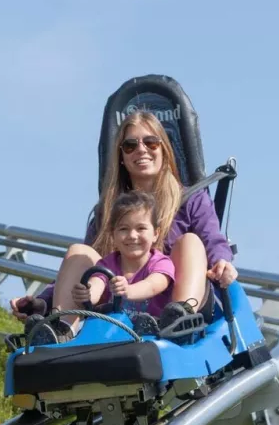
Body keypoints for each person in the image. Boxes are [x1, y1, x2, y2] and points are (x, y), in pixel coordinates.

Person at [13, 108, 237, 333]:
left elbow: (213, 240)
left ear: (165, 150)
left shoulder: (192, 200)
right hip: (116, 304)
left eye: (151, 143)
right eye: (130, 145)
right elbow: (83, 265)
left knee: (190, 241)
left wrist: (222, 261)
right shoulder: (109, 211)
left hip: (167, 300)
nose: (141, 150)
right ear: (121, 158)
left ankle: (178, 318)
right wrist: (42, 302)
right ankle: (61, 329)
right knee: (79, 251)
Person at [76, 190, 175, 316]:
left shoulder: (161, 263)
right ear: (113, 235)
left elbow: (153, 285)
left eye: (141, 228)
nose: (132, 236)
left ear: (155, 234)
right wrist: (87, 294)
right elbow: (97, 284)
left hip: (152, 332)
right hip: (114, 331)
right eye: (123, 229)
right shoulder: (107, 265)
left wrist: (128, 290)